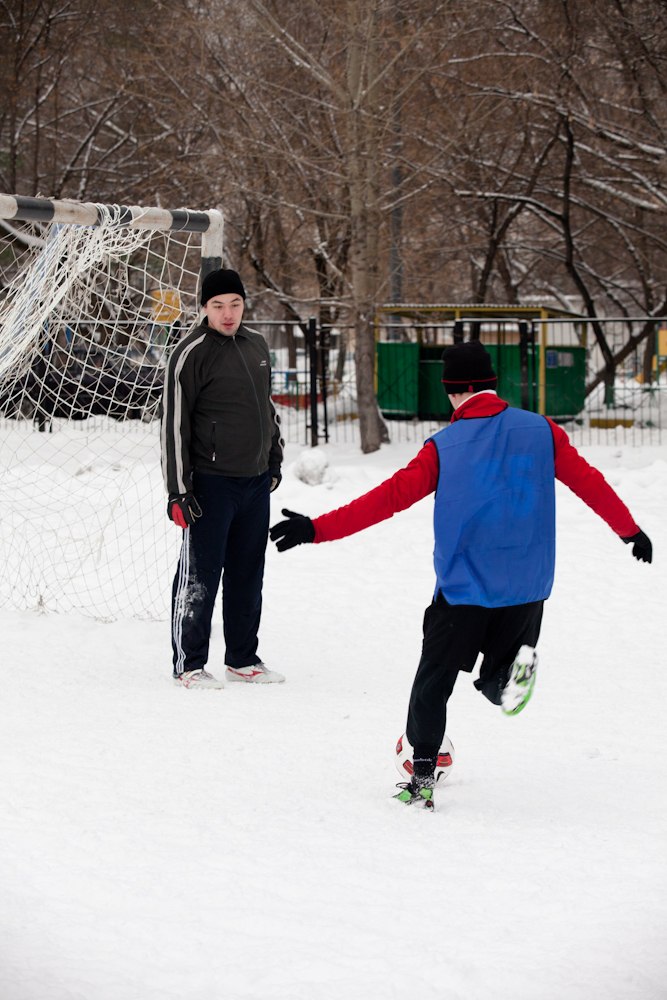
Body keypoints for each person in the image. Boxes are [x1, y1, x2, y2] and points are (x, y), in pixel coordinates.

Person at [269, 340, 652, 806]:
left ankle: (422, 774)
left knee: (433, 683)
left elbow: (385, 500)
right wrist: (629, 530)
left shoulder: (443, 447)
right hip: (529, 585)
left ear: (453, 392)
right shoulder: (542, 431)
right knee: (496, 679)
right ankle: (508, 675)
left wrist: (316, 529)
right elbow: (589, 480)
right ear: (492, 383)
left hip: (465, 588)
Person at [161, 267, 285, 689]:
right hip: (210, 483)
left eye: (235, 304)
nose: (228, 313)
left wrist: (273, 459)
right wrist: (179, 491)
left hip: (254, 482)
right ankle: (189, 663)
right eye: (218, 306)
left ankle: (243, 658)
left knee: (248, 573)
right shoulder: (190, 352)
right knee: (201, 575)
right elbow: (174, 425)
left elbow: (265, 408)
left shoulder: (257, 345)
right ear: (204, 308)